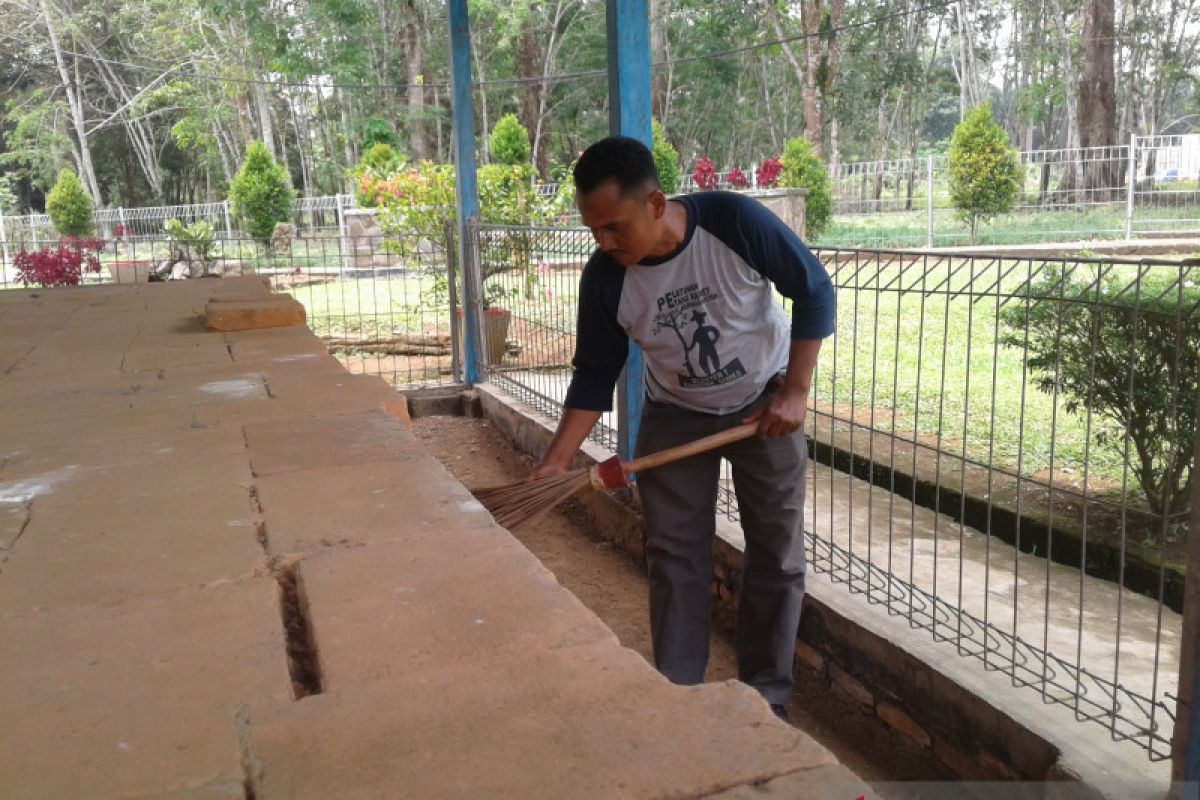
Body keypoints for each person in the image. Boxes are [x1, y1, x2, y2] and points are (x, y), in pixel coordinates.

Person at [528, 136, 835, 721]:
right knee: (674, 556)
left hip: (763, 408)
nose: (604, 243)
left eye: (614, 226)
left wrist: (794, 393)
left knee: (776, 555)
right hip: (674, 414)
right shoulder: (606, 279)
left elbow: (813, 291)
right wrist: (556, 459)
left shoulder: (733, 223)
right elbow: (596, 372)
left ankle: (767, 698)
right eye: (594, 230)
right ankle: (680, 699)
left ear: (655, 203)